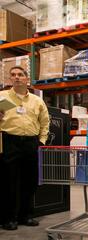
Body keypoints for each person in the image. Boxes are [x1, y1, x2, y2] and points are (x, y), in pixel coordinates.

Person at [0, 66, 50, 230]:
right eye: (13, 75)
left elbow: (45, 123)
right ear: (10, 79)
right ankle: (9, 218)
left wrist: (41, 142)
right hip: (9, 141)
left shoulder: (37, 101)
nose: (16, 77)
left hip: (31, 143)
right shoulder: (2, 97)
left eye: (20, 75)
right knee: (9, 181)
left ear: (26, 79)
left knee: (30, 180)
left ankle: (26, 216)